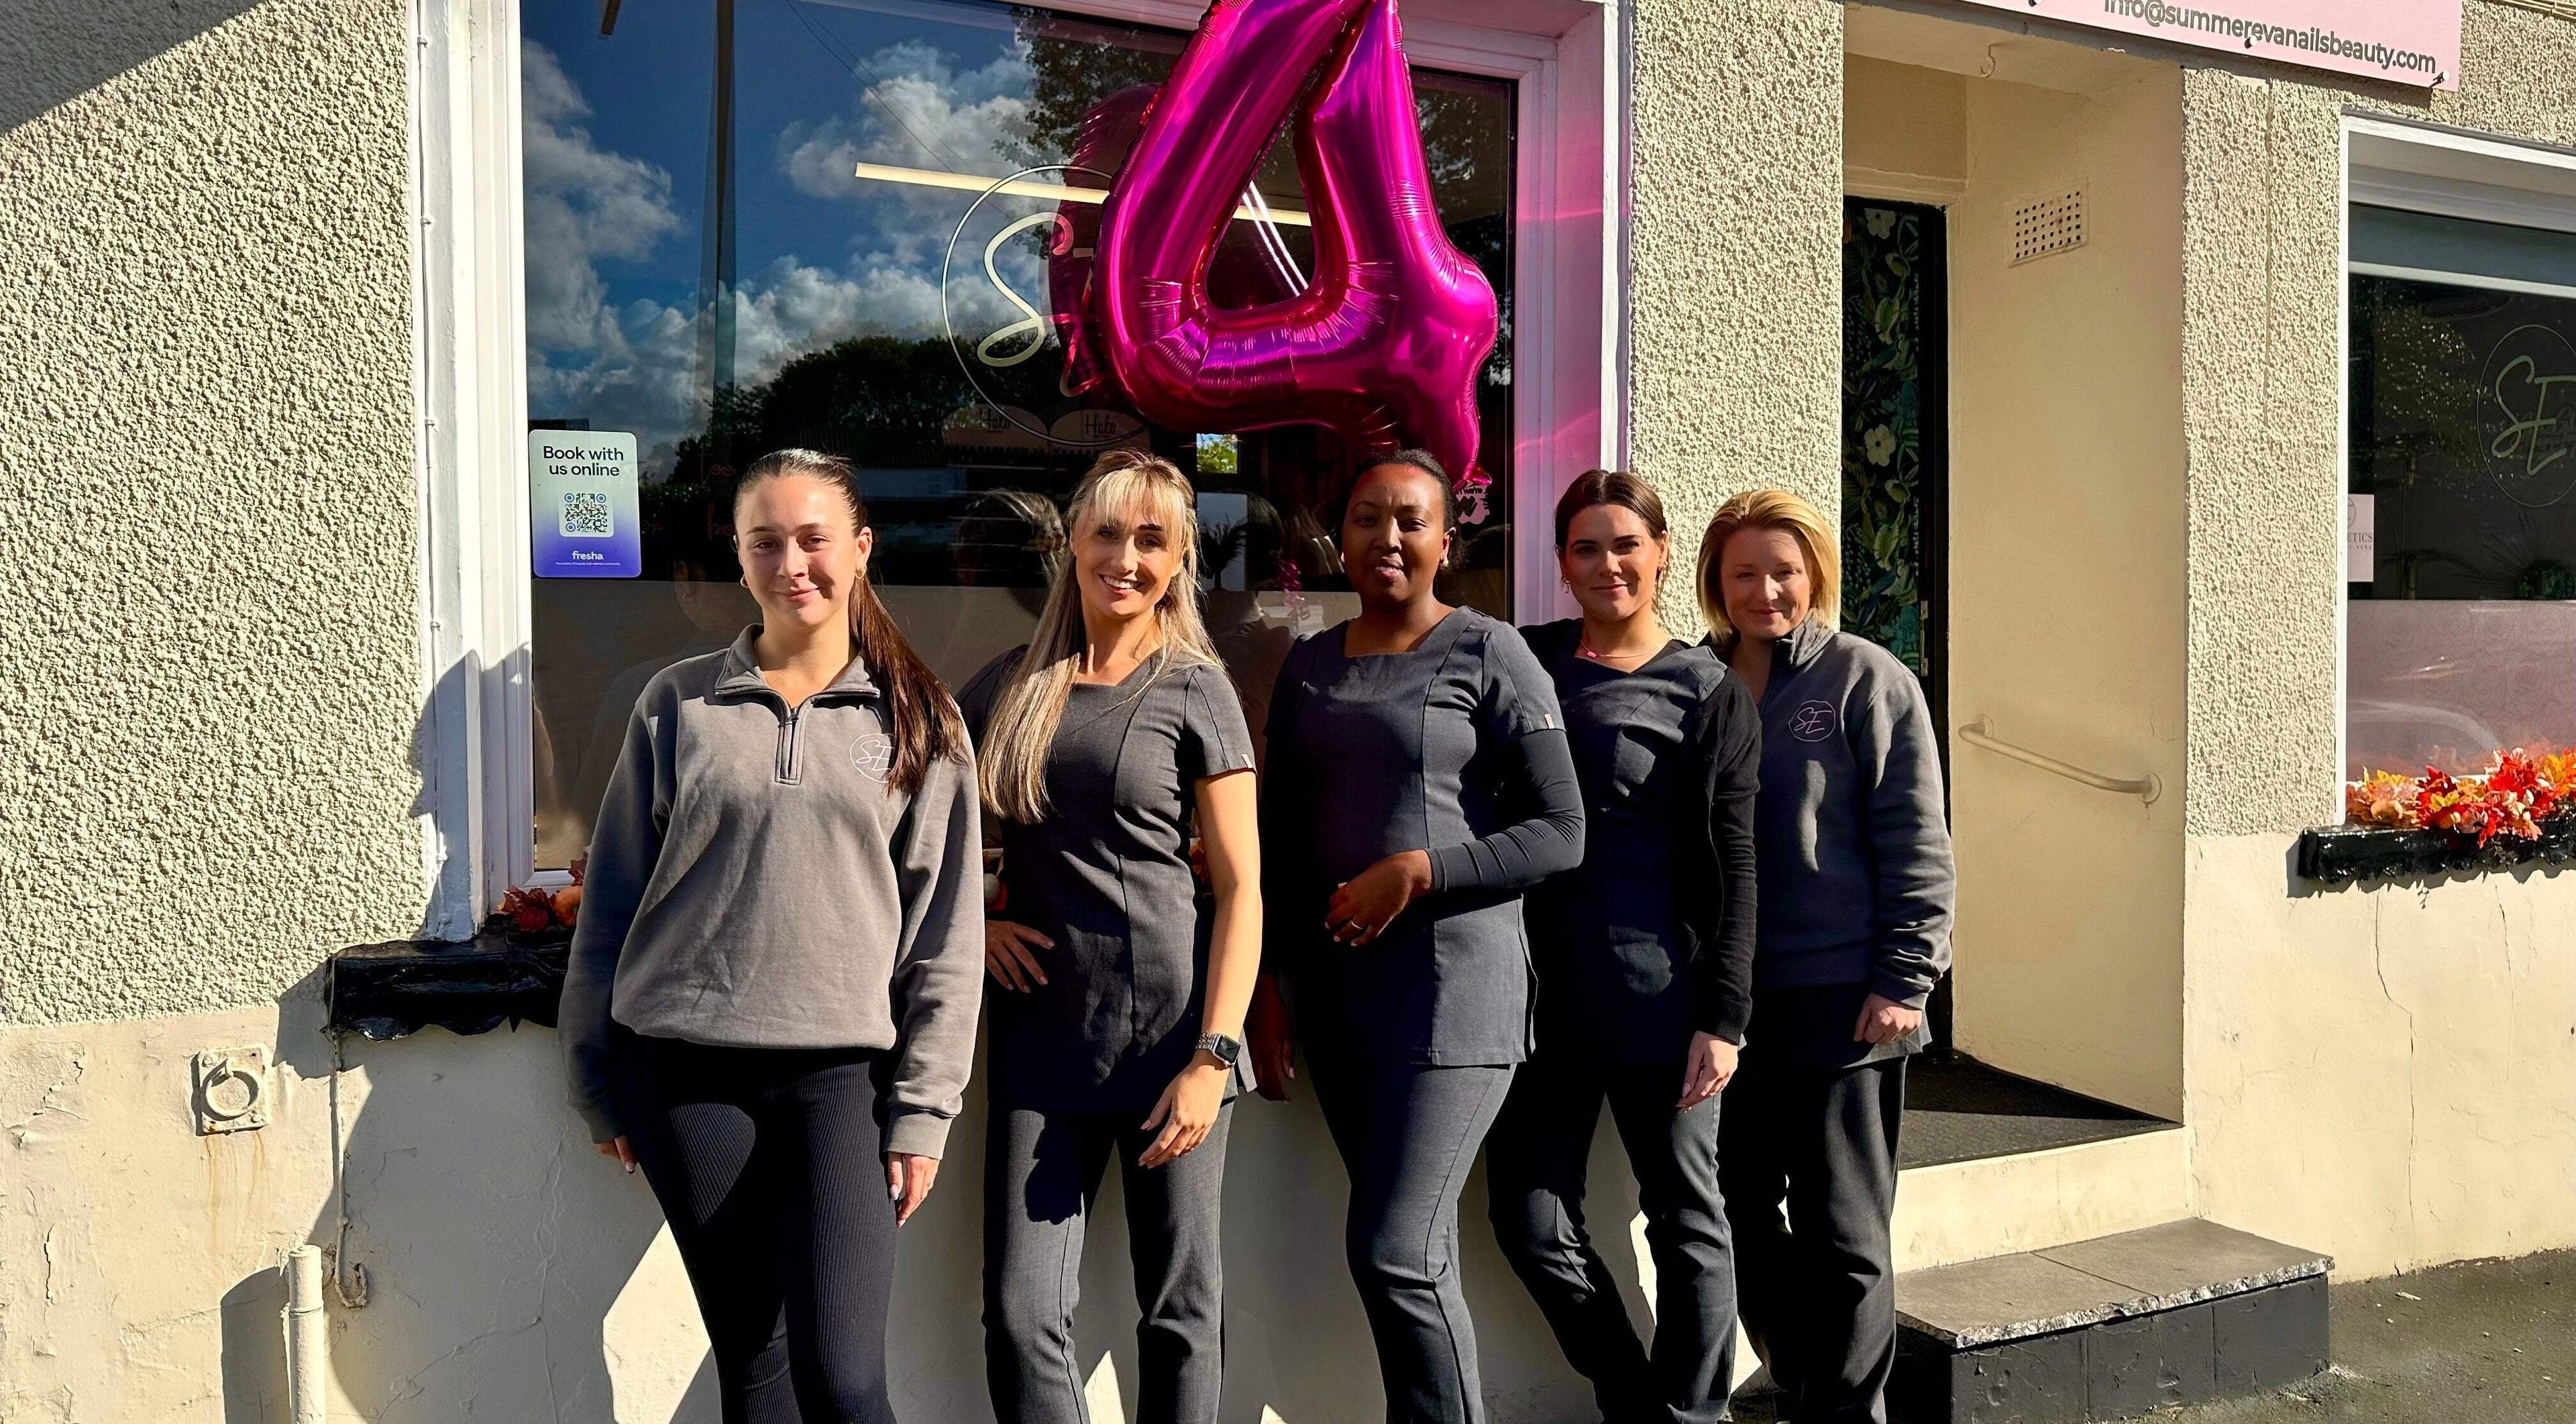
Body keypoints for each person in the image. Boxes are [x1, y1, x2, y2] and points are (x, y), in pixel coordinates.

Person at [560, 447, 985, 1424]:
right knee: (755, 1369)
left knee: (845, 1381)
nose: (793, 563)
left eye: (814, 539)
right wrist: (594, 1078)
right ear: (740, 562)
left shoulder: (922, 721)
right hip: (683, 1076)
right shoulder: (677, 705)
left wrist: (923, 1109)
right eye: (766, 543)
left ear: (862, 550)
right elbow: (614, 903)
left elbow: (945, 942)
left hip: (843, 1081)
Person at [1249, 449, 1587, 1424]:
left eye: (1409, 521)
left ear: (1448, 539)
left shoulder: (1491, 651)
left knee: (1397, 1250)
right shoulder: (1312, 660)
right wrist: (1269, 985)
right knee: (1408, 1257)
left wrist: (1423, 868)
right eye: (1365, 518)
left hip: (1454, 1000)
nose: (1386, 539)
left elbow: (1562, 834)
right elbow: (1281, 833)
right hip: (1341, 1003)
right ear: (1337, 534)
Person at [957, 451, 1263, 1424]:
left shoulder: (1196, 689)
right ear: (1071, 544)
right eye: (1107, 534)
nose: (1125, 558)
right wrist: (975, 915)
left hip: (1174, 1038)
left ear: (1178, 562)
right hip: (1045, 1041)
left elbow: (1246, 888)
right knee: (1019, 1314)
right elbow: (911, 829)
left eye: (1152, 541)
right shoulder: (1014, 684)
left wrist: (1214, 1058)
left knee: (1179, 1311)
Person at [1487, 470, 1761, 1424]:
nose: (1608, 564)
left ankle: (1693, 1417)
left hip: (1663, 1002)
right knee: (1528, 1219)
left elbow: (1737, 867)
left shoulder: (1706, 688)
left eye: (1626, 545)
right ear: (1561, 564)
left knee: (1688, 1222)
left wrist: (1724, 1018)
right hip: (1538, 1005)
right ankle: (1636, 1400)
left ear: (1660, 552)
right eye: (1587, 548)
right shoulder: (1522, 663)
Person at [1698, 489, 1953, 1424]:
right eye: (1744, 574)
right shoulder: (1699, 679)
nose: (1766, 590)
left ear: (1815, 578)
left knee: (1845, 1230)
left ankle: (1848, 1414)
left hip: (1846, 996)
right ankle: (1802, 1377)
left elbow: (1915, 838)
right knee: (1735, 1208)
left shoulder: (1865, 679)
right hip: (1730, 1003)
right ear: (1714, 584)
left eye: (1784, 572)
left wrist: (1907, 976)